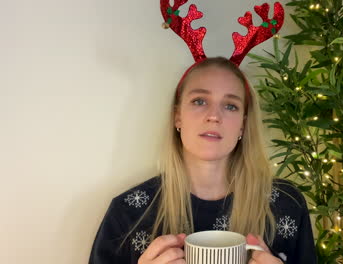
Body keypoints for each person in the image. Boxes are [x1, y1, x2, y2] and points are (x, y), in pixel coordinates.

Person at [89, 57, 318, 264]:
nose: (214, 116)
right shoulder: (129, 212)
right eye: (199, 101)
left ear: (242, 125)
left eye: (230, 106)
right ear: (177, 116)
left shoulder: (286, 204)